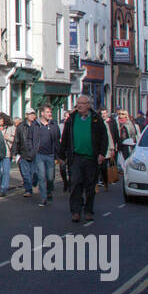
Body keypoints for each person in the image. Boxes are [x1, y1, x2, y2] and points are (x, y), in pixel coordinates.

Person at [59, 94, 108, 225]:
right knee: (75, 184)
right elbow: (65, 138)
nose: (79, 105)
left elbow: (104, 138)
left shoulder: (96, 119)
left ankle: (88, 211)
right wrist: (62, 155)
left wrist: (102, 154)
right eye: (78, 103)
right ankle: (75, 211)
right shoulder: (71, 119)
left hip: (91, 158)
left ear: (88, 105)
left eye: (82, 103)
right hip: (75, 157)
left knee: (90, 186)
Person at [31, 104, 62, 207]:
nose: (50, 114)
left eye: (50, 112)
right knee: (41, 176)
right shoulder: (35, 125)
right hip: (39, 155)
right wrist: (32, 151)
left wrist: (59, 155)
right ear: (42, 113)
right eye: (48, 112)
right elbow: (29, 139)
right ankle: (43, 198)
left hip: (51, 155)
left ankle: (49, 192)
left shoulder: (53, 125)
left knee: (50, 178)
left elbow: (57, 140)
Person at [15, 109, 38, 197]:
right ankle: (28, 190)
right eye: (30, 114)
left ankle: (34, 182)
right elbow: (17, 140)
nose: (32, 116)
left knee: (34, 173)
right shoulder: (21, 126)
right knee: (25, 174)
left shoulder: (37, 125)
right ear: (26, 115)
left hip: (35, 153)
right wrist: (15, 152)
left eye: (33, 114)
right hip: (24, 153)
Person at [0, 113, 15, 193]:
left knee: (5, 172)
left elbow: (15, 139)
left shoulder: (11, 127)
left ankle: (4, 189)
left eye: (0, 119)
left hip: (7, 153)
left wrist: (8, 138)